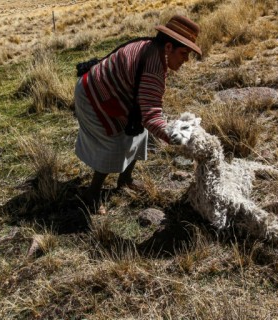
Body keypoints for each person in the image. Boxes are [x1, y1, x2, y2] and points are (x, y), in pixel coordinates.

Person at [74, 15, 202, 214]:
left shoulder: (152, 48)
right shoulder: (154, 65)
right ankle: (92, 193)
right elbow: (150, 115)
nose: (186, 60)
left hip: (113, 97)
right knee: (112, 144)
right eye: (184, 53)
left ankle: (125, 180)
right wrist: (177, 137)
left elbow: (147, 110)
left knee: (137, 132)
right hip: (94, 97)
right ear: (168, 47)